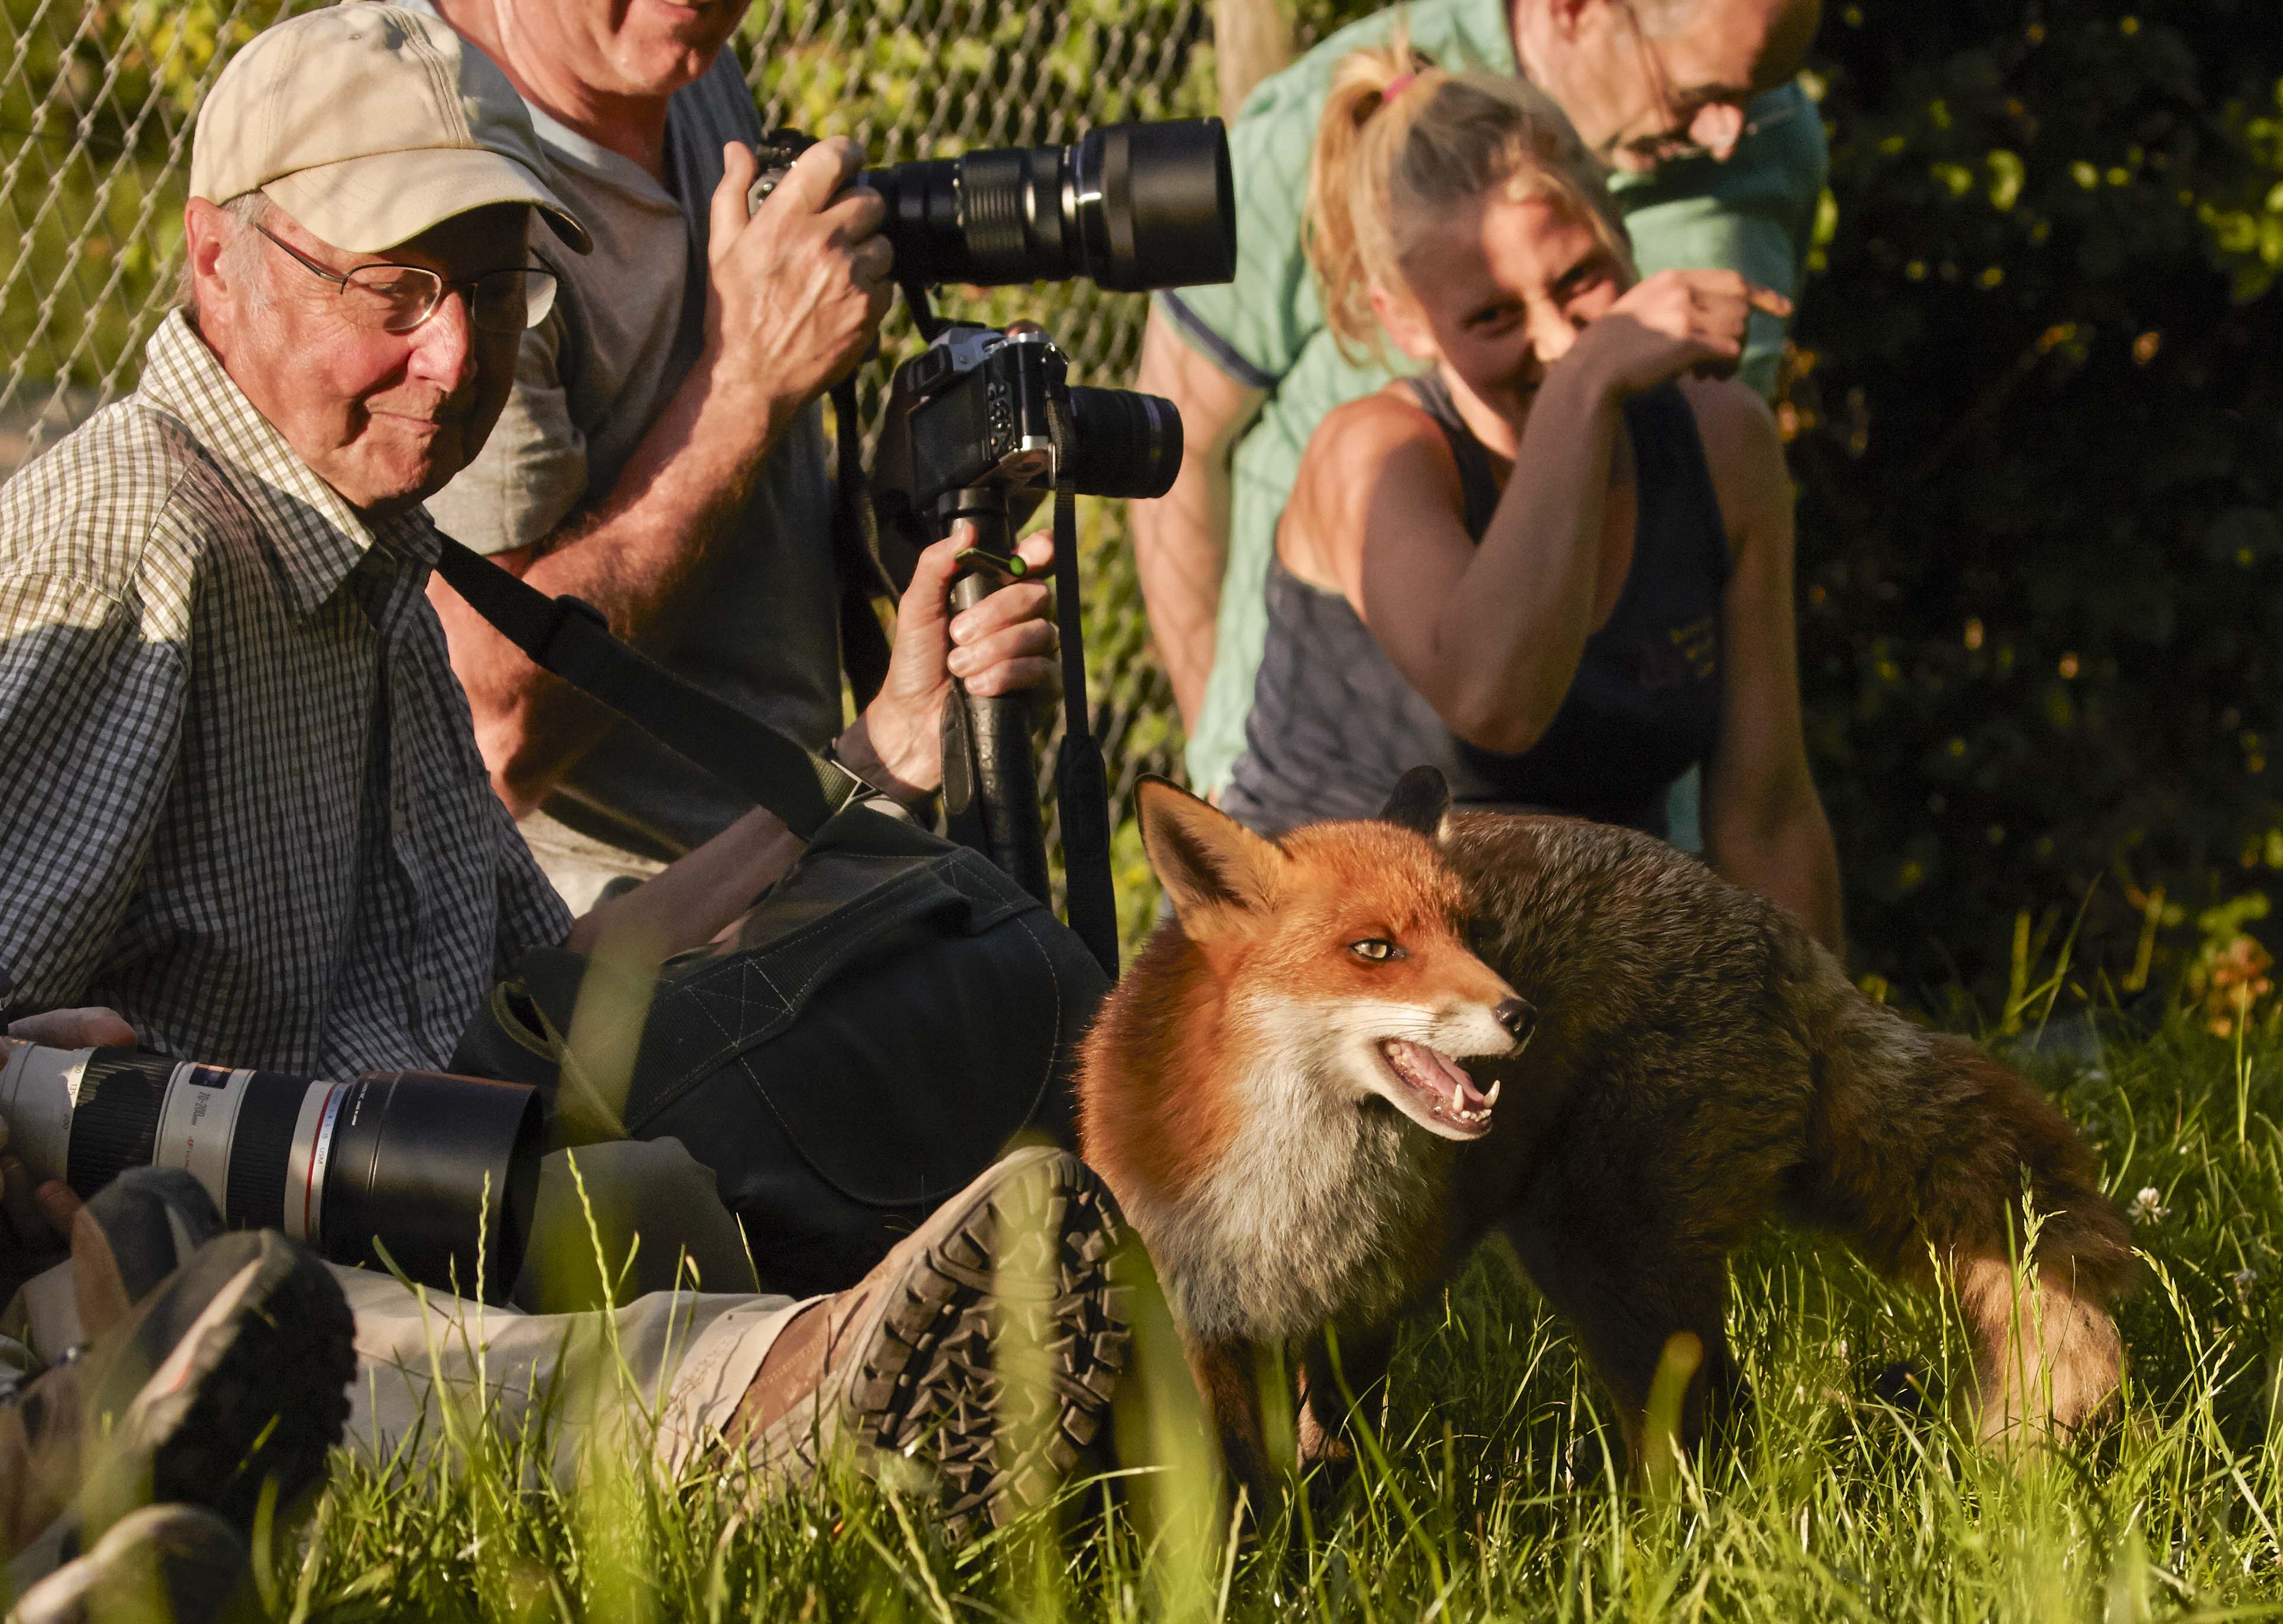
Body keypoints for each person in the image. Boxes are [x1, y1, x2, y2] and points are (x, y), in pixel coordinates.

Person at [0, 8, 1126, 1595]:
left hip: (389, 1191)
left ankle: (920, 1364)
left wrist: (873, 763)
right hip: (151, 1290)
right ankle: (816, 1401)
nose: (453, 354)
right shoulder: (138, 545)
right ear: (216, 260)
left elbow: (557, 991)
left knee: (669, 1157)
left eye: (495, 283)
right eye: (392, 286)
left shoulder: (367, 545)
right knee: (383, 1342)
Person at [1137, 0, 1828, 841]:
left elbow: (1770, 807)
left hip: (1614, 805)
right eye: (1493, 316)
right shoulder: (1374, 446)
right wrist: (1215, 766)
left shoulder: (1768, 146)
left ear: (1617, 227)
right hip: (1335, 846)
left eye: (1581, 280)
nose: (1732, 137)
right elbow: (1176, 446)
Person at [394, 0, 942, 910]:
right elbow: (489, 731)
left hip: (799, 845)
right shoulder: (437, 157)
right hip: (591, 938)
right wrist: (745, 388)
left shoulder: (672, 46)